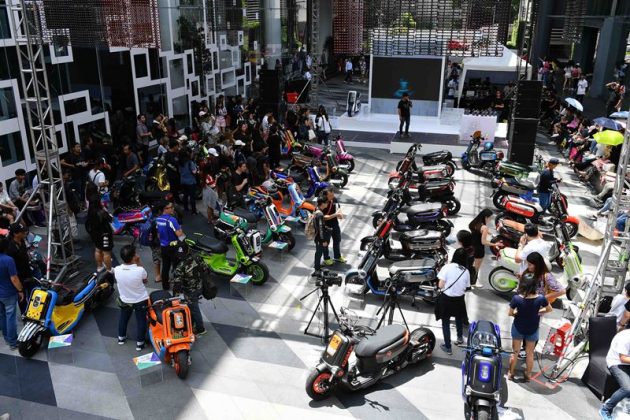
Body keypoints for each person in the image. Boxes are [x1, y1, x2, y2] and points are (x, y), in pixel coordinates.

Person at [507, 273, 552, 381]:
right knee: (530, 354)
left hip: (518, 328)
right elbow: (549, 309)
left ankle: (511, 373)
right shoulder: (541, 298)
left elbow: (510, 313)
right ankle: (528, 375)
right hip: (533, 329)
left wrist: (516, 313)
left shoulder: (516, 299)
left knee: (515, 352)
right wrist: (538, 311)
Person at [114, 245, 148, 351]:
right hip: (140, 299)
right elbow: (145, 280)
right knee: (141, 320)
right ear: (133, 257)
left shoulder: (117, 269)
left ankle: (121, 338)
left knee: (123, 318)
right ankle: (140, 343)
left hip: (125, 299)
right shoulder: (140, 270)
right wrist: (138, 261)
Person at [437, 248, 471, 355]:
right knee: (458, 318)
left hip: (446, 299)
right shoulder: (466, 271)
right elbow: (467, 287)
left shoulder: (447, 267)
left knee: (445, 322)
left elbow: (440, 285)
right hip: (459, 300)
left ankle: (448, 347)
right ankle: (460, 338)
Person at [0, 237, 24, 350]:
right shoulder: (8, 260)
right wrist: (20, 290)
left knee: (2, 315)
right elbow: (14, 278)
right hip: (8, 293)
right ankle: (13, 342)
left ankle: (6, 337)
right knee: (10, 317)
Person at [601, 329, 630, 419]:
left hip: (627, 363)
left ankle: (626, 403)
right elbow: (623, 358)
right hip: (616, 362)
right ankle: (605, 409)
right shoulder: (626, 337)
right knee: (627, 388)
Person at [156, 201, 185, 290]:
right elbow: (179, 234)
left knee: (165, 266)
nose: (173, 209)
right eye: (170, 207)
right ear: (165, 209)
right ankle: (177, 287)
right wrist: (181, 231)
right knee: (177, 267)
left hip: (163, 246)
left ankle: (165, 286)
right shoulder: (172, 220)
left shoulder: (158, 219)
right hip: (173, 247)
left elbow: (158, 235)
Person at [6, 223, 33, 315]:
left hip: (27, 272)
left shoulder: (22, 241)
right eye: (22, 232)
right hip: (19, 276)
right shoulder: (10, 248)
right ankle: (24, 314)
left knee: (32, 293)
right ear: (15, 234)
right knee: (22, 298)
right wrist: (19, 289)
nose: (24, 233)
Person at [85, 197, 113, 272]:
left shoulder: (90, 212)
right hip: (105, 235)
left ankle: (99, 266)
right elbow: (110, 219)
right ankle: (109, 269)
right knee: (106, 252)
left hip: (95, 235)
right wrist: (104, 208)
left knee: (97, 250)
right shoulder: (102, 212)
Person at [468, 209, 494, 288]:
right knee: (477, 267)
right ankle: (473, 282)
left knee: (471, 265)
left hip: (471, 246)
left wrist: (487, 232)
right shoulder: (484, 227)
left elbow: (477, 231)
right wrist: (494, 244)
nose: (491, 219)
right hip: (479, 249)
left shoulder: (474, 223)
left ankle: (468, 280)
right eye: (490, 217)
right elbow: (483, 242)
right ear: (486, 217)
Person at [321, 188, 346, 266]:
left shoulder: (333, 199)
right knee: (325, 242)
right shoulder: (321, 202)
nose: (332, 197)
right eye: (330, 196)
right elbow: (324, 217)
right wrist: (335, 215)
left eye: (333, 195)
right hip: (325, 225)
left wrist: (340, 214)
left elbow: (338, 207)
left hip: (334, 223)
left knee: (337, 239)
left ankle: (337, 256)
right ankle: (326, 258)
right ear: (325, 196)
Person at [312, 196, 331, 276]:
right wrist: (323, 240)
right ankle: (317, 270)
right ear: (322, 203)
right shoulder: (320, 214)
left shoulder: (316, 210)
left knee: (318, 252)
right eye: (326, 202)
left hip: (317, 236)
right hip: (319, 238)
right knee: (319, 253)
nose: (327, 204)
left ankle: (317, 266)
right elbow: (320, 229)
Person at [179, 148, 198, 214]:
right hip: (191, 182)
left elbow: (179, 171)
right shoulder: (190, 162)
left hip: (183, 181)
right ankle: (194, 211)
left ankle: (186, 208)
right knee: (192, 197)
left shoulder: (180, 163)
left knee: (185, 195)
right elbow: (194, 172)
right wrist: (196, 169)